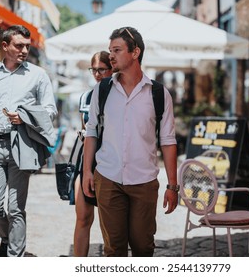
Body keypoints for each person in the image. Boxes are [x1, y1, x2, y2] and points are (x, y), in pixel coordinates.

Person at [0, 25, 57, 257]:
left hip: (22, 145)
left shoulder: (38, 75)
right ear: (5, 46)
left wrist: (24, 117)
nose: (25, 50)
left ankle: (15, 258)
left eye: (27, 45)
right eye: (19, 45)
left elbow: (50, 110)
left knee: (15, 208)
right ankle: (7, 238)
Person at [82, 26, 178, 257]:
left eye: (117, 50)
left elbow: (167, 140)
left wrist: (173, 186)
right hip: (107, 177)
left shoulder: (158, 93)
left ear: (135, 52)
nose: (111, 55)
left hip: (144, 181)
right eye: (110, 50)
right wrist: (87, 171)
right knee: (113, 249)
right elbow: (92, 131)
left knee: (143, 248)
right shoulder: (102, 90)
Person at [73, 51, 112, 257]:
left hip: (110, 163)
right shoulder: (86, 96)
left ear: (112, 69)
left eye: (101, 70)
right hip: (88, 161)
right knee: (83, 217)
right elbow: (85, 130)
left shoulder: (118, 95)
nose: (97, 74)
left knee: (111, 224)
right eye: (94, 70)